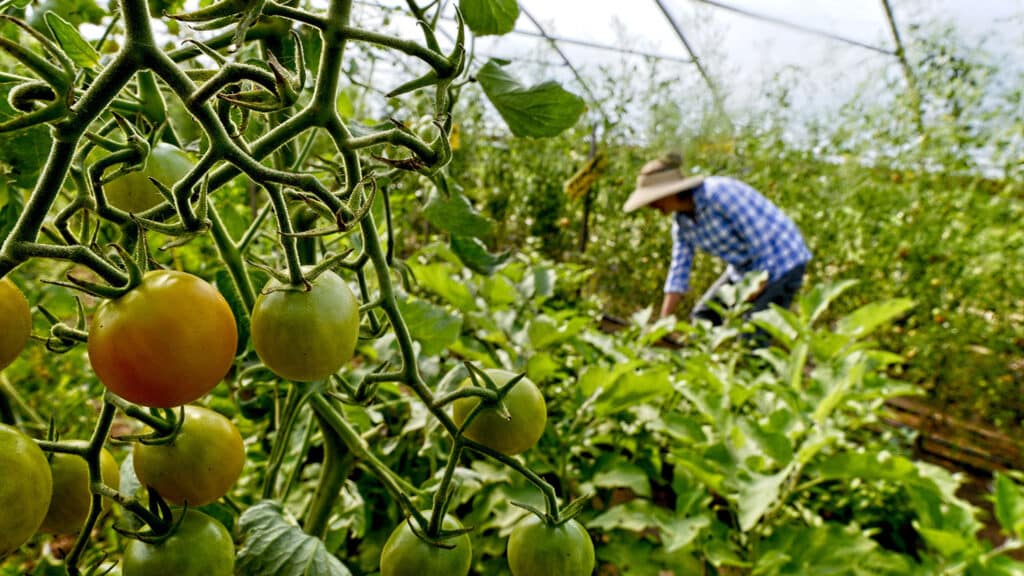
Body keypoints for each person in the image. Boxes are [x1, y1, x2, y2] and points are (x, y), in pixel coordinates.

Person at [623, 152, 811, 324]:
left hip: (782, 262)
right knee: (704, 317)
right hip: (745, 269)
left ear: (671, 192)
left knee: (754, 330)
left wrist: (755, 287)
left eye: (654, 200)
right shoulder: (682, 223)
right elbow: (679, 270)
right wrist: (664, 320)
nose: (652, 206)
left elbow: (760, 238)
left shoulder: (718, 194)